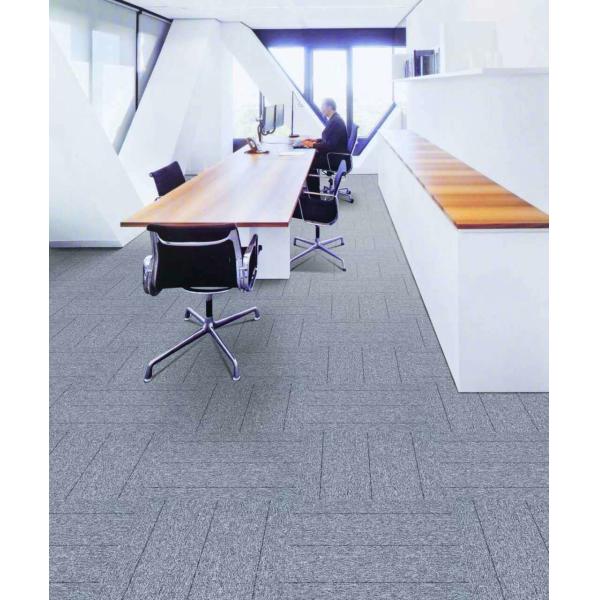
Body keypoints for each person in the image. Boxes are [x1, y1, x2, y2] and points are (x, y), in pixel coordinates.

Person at [302, 98, 348, 194]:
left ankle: (314, 195)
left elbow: (329, 146)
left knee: (309, 162)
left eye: (323, 106)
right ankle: (312, 191)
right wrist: (315, 141)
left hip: (334, 159)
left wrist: (312, 145)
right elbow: (329, 139)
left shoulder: (335, 122)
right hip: (335, 155)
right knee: (311, 158)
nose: (321, 109)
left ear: (329, 107)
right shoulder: (334, 119)